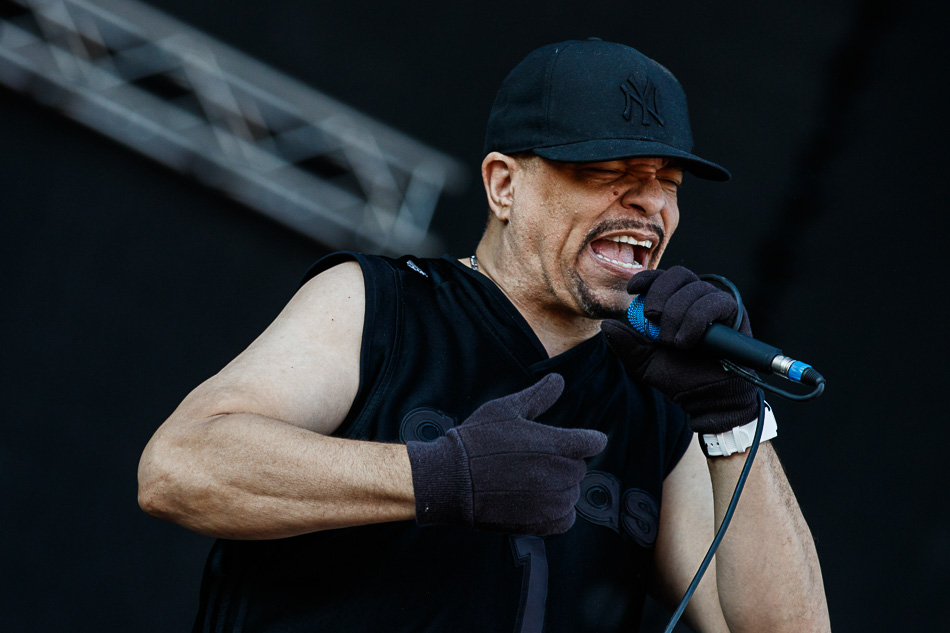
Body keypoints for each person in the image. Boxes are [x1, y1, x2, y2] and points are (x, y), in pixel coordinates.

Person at [138, 39, 831, 632]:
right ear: (504, 185)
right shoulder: (382, 303)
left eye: (667, 182)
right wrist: (436, 477)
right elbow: (178, 467)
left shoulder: (656, 409)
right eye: (607, 172)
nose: (649, 201)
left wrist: (733, 419)